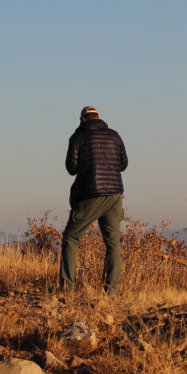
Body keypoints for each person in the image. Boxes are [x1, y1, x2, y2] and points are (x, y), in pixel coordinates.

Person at [60, 105, 128, 294]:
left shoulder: (78, 137)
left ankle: (67, 288)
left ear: (83, 119)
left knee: (71, 238)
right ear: (98, 117)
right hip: (114, 195)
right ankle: (111, 291)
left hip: (90, 194)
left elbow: (71, 168)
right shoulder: (114, 135)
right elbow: (124, 164)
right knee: (113, 244)